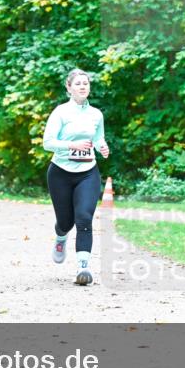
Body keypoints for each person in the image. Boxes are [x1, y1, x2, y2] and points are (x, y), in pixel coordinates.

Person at [42, 68, 110, 286]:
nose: (83, 87)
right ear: (69, 87)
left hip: (88, 172)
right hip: (60, 173)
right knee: (66, 221)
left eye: (86, 83)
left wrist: (102, 147)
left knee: (84, 218)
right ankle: (61, 237)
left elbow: (98, 138)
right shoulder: (60, 112)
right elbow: (48, 143)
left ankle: (83, 267)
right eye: (78, 83)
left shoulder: (96, 114)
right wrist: (72, 145)